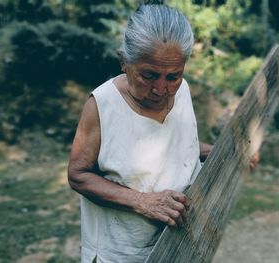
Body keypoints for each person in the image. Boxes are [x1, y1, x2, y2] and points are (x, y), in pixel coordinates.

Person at [68, 1, 258, 262]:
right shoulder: (102, 105)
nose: (161, 89)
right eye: (149, 75)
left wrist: (223, 154)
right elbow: (78, 175)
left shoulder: (182, 92)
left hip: (180, 244)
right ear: (124, 61)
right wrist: (143, 202)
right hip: (121, 253)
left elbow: (180, 144)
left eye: (173, 76)